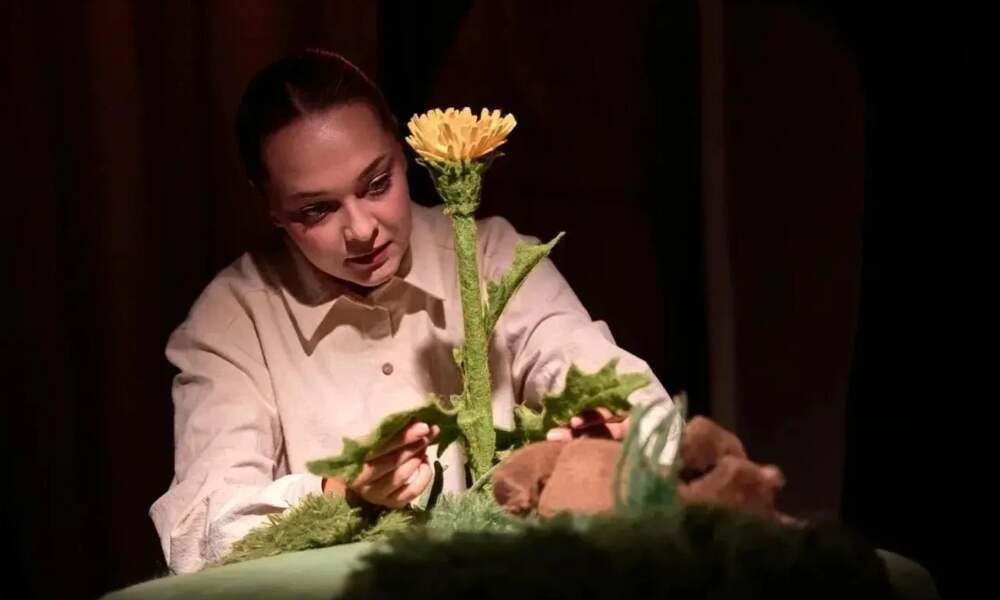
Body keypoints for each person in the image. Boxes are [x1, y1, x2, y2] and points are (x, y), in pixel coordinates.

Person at [149, 48, 680, 574]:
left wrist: (612, 435)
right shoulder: (233, 318)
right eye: (316, 210)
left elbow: (639, 408)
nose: (361, 230)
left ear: (404, 154)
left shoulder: (490, 257)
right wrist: (339, 494)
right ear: (272, 210)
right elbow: (197, 534)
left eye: (377, 184)